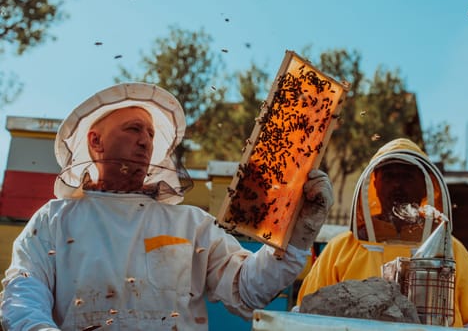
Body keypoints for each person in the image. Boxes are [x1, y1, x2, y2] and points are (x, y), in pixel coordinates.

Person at [0, 82, 334, 330]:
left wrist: (299, 233)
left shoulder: (190, 224)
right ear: (95, 141)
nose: (145, 140)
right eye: (133, 129)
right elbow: (23, 294)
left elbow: (247, 291)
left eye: (149, 133)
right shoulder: (54, 221)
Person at [296, 138, 468, 330]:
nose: (397, 184)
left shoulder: (450, 250)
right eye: (389, 176)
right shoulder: (340, 249)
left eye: (407, 176)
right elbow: (304, 315)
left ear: (424, 185)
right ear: (375, 184)